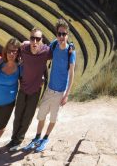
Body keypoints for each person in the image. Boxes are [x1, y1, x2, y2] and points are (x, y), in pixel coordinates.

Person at [23, 19, 76, 152]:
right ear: (56, 34)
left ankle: (45, 138)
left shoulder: (71, 51)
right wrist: (26, 43)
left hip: (60, 91)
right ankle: (37, 137)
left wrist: (66, 95)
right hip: (49, 88)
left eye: (64, 34)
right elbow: (41, 47)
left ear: (67, 35)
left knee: (53, 118)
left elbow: (72, 74)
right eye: (59, 34)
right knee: (41, 115)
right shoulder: (53, 45)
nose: (62, 37)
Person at [6, 27, 52, 151]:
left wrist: (70, 49)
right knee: (18, 115)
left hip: (35, 90)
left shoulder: (46, 52)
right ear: (29, 38)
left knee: (27, 117)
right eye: (33, 38)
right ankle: (13, 139)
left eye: (38, 39)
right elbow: (15, 51)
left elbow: (58, 51)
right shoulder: (24, 49)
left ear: (41, 40)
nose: (35, 41)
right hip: (23, 87)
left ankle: (18, 140)